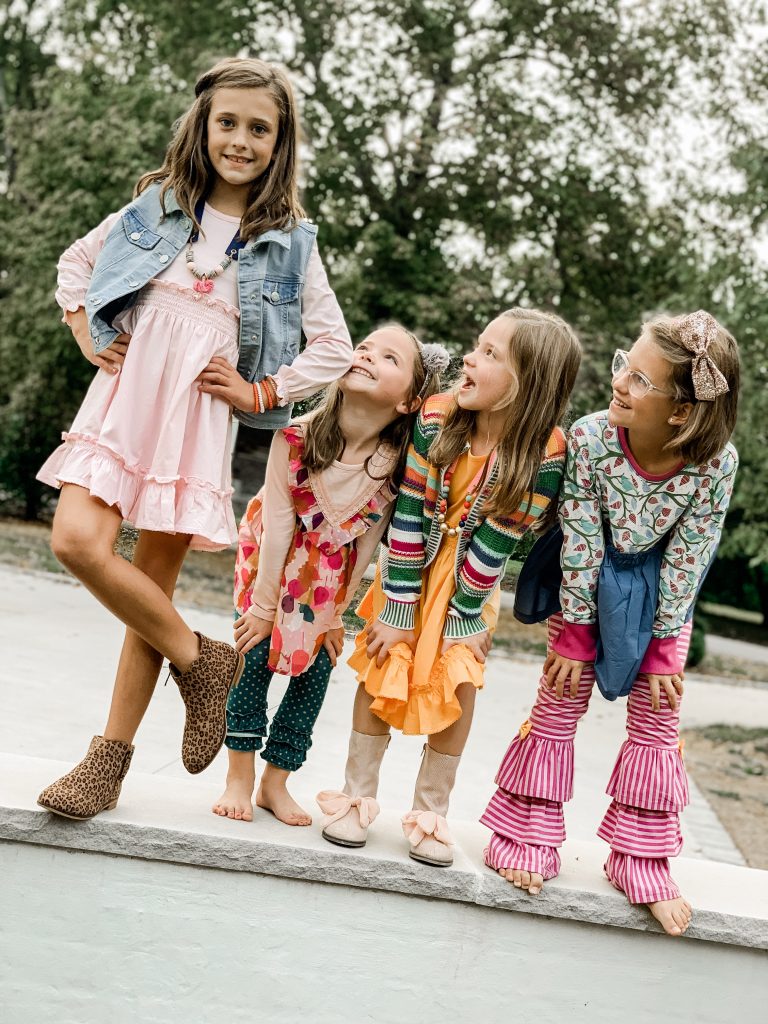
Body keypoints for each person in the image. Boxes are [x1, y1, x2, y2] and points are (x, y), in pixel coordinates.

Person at [35, 57, 352, 820]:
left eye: (259, 129)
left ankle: (107, 764)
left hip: (196, 420)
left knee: (152, 586)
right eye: (227, 123)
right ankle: (199, 658)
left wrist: (260, 392)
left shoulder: (291, 243)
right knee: (75, 541)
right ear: (203, 126)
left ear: (279, 143)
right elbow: (76, 264)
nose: (240, 140)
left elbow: (334, 346)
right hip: (122, 401)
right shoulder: (159, 205)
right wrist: (86, 332)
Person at [481, 310, 740, 937]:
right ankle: (526, 833)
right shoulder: (592, 438)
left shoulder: (716, 463)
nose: (619, 380)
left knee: (658, 714)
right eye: (625, 363)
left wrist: (663, 649)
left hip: (661, 591)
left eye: (641, 379)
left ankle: (639, 859)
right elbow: (579, 538)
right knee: (559, 695)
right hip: (584, 575)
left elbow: (691, 555)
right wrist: (575, 634)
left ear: (682, 412)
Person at [317, 309, 582, 866]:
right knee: (383, 665)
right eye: (477, 345)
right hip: (411, 564)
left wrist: (463, 617)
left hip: (472, 585)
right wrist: (396, 608)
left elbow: (500, 540)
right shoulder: (437, 417)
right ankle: (356, 796)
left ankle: (430, 812)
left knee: (458, 682)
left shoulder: (546, 454)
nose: (469, 357)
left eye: (490, 354)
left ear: (526, 383)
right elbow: (411, 511)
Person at [213, 328, 448, 825]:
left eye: (389, 358)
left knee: (316, 670)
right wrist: (264, 607)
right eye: (364, 347)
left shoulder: (396, 465)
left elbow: (367, 546)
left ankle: (275, 783)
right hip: (270, 562)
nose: (367, 355)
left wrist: (337, 615)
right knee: (254, 657)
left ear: (409, 401)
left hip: (328, 577)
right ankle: (238, 776)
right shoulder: (295, 437)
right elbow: (278, 526)